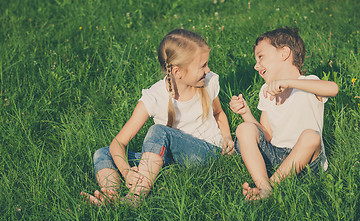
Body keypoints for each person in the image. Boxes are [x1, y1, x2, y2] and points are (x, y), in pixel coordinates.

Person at [81, 29, 234, 206]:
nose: (207, 69)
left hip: (206, 153)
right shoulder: (154, 97)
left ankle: (134, 198)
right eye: (202, 65)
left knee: (158, 131)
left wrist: (227, 136)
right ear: (178, 72)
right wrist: (126, 172)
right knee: (103, 153)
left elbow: (218, 113)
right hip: (168, 160)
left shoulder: (208, 82)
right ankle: (111, 198)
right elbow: (118, 143)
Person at [229, 27, 338, 200]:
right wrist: (245, 113)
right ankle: (265, 187)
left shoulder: (308, 83)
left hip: (308, 163)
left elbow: (333, 88)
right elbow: (267, 134)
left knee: (311, 136)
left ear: (284, 53)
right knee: (244, 128)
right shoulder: (266, 91)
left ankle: (270, 186)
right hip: (276, 157)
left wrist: (289, 83)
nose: (256, 65)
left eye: (261, 57)